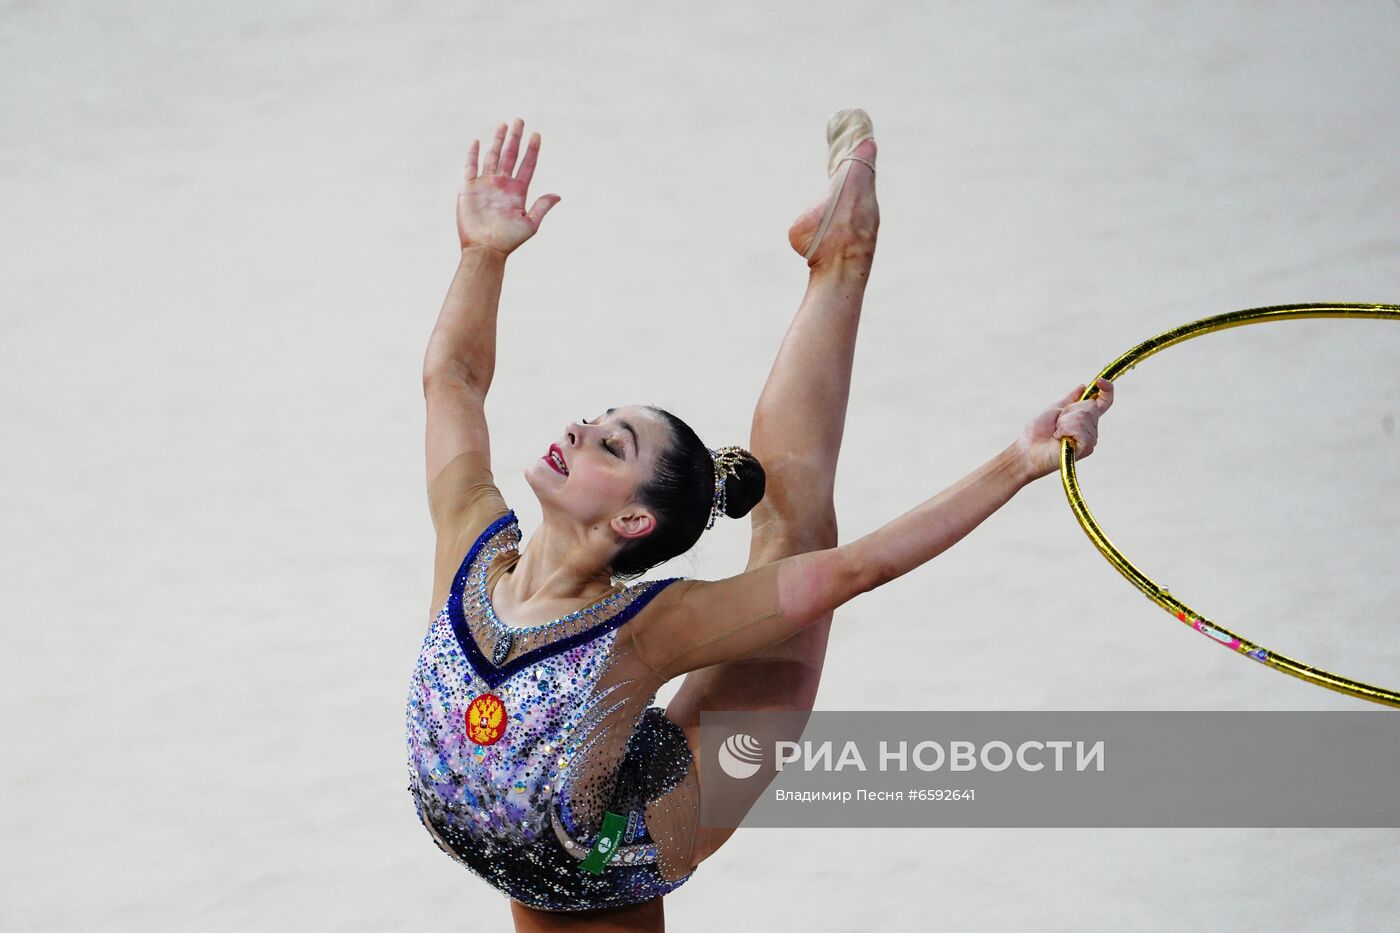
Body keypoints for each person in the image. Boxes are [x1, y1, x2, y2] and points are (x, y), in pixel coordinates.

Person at [406, 114, 1114, 932]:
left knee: (797, 533)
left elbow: (859, 568)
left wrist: (1018, 462)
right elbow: (450, 379)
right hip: (545, 836)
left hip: (621, 846)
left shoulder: (648, 625)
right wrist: (482, 254)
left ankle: (842, 260)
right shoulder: (471, 542)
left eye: (611, 442)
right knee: (562, 803)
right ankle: (836, 254)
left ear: (634, 516)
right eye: (594, 420)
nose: (575, 429)